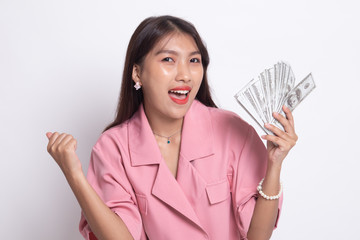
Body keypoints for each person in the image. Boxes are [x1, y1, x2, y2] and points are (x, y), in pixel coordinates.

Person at [46, 15, 298, 240]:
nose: (185, 75)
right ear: (137, 73)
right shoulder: (113, 147)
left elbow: (258, 236)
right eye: (168, 59)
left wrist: (274, 164)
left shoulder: (233, 131)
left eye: (194, 60)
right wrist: (75, 177)